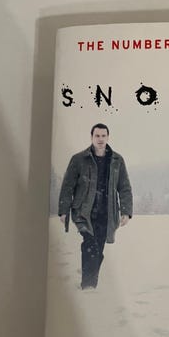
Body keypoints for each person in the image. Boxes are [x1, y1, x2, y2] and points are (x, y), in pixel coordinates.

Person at [58, 123, 133, 289]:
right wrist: (64, 210)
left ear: (108, 137)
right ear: (91, 137)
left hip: (106, 213)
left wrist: (126, 211)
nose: (100, 139)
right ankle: (88, 286)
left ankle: (89, 279)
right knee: (90, 245)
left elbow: (124, 187)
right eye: (97, 136)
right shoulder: (79, 159)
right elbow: (68, 186)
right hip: (83, 212)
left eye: (103, 136)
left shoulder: (117, 160)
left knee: (98, 249)